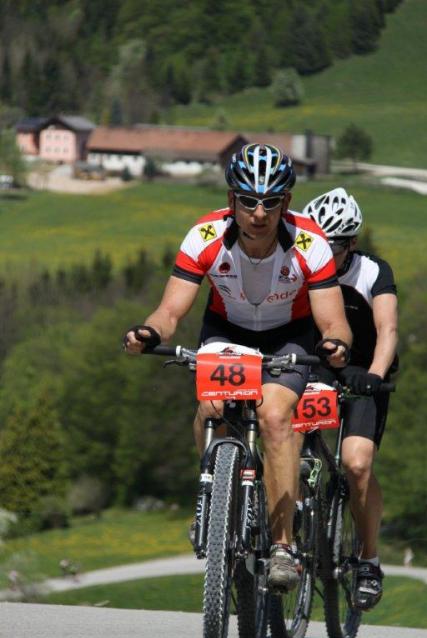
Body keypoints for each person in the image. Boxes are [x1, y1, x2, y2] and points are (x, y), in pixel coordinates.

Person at [124, 144, 352, 592]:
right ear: (232, 199)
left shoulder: (310, 243)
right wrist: (148, 332)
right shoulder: (205, 236)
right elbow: (169, 311)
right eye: (248, 201)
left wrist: (337, 344)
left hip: (289, 334)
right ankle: (216, 500)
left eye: (271, 202)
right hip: (226, 329)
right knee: (212, 408)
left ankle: (283, 546)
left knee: (274, 416)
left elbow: (333, 320)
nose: (259, 213)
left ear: (286, 201)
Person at [303, 187, 398, 610]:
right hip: (316, 367)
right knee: (286, 441)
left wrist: (375, 376)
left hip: (364, 372)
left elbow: (388, 329)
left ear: (352, 243)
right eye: (316, 246)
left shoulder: (372, 271)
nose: (322, 256)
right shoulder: (299, 266)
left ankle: (368, 561)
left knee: (357, 465)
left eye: (333, 248)